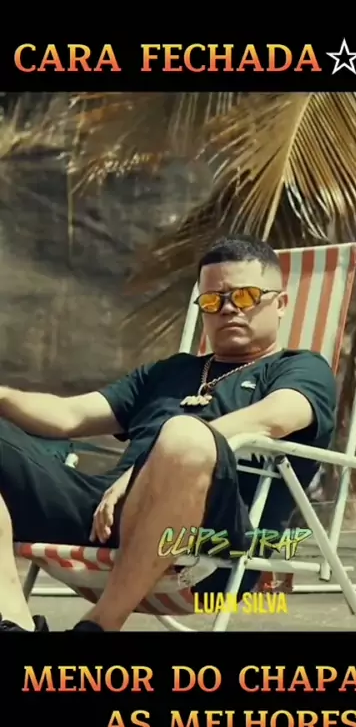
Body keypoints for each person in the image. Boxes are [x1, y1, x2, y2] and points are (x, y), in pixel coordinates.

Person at [0, 233, 337, 632]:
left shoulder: (300, 368)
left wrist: (144, 468)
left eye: (245, 296)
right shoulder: (169, 372)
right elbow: (69, 415)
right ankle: (12, 622)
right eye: (213, 300)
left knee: (184, 436)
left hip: (209, 545)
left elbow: (274, 418)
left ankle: (100, 626)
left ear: (280, 304)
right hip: (103, 518)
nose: (228, 308)